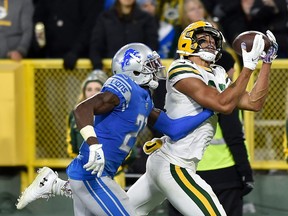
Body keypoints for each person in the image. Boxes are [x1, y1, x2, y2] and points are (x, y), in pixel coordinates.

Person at [16, 42, 215, 214]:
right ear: (133, 70)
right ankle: (56, 184)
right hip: (93, 175)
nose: (155, 69)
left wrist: (210, 110)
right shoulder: (124, 86)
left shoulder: (144, 99)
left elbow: (173, 129)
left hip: (96, 174)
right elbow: (82, 109)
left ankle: (55, 184)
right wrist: (93, 144)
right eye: (149, 65)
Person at [126, 20, 278, 215]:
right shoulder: (181, 68)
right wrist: (248, 67)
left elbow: (254, 103)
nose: (211, 43)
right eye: (203, 39)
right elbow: (222, 104)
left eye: (214, 40)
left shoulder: (218, 73)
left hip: (170, 161)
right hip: (174, 164)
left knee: (122, 212)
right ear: (186, 42)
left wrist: (266, 62)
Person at [29, 0, 105, 70]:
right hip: (50, 60)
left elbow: (90, 26)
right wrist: (39, 44)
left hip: (80, 62)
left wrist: (75, 52)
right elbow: (38, 20)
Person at [89, 0, 159, 70]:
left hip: (140, 71)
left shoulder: (146, 19)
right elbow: (95, 46)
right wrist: (98, 67)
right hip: (110, 71)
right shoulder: (105, 18)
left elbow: (152, 46)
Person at [67, 70, 108, 158]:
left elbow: (130, 151)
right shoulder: (75, 115)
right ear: (83, 92)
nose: (93, 93)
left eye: (97, 89)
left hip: (111, 169)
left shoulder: (114, 114)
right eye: (89, 89)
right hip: (84, 168)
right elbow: (72, 147)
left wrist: (113, 167)